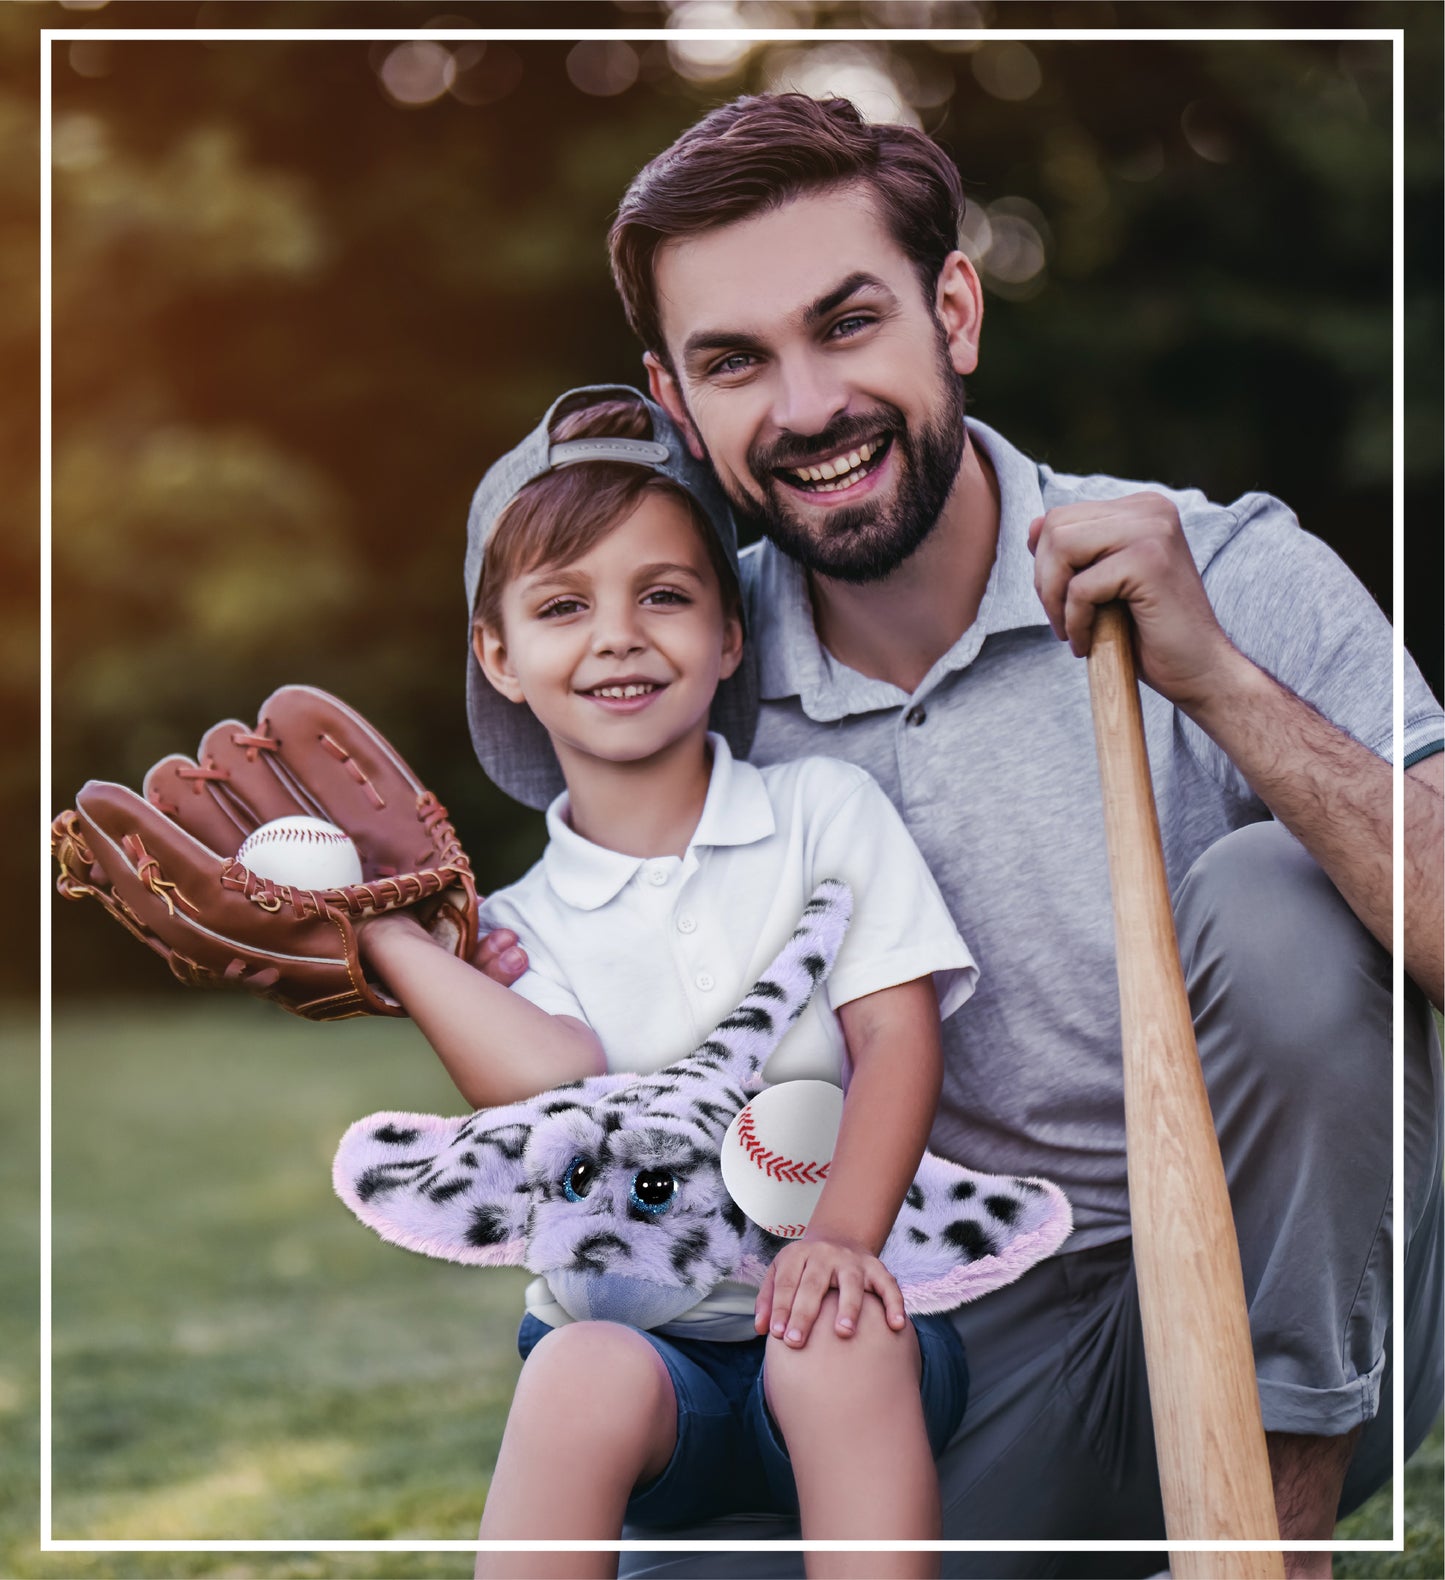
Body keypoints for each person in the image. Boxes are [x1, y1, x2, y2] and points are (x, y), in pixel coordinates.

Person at [476, 94, 1444, 1579]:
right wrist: (378, 942)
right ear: (676, 403)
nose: (803, 408)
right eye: (736, 362)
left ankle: (1264, 1555)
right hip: (929, 1339)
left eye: (846, 323)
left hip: (1288, 1306)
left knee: (1277, 900)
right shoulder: (685, 666)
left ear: (954, 308)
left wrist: (1220, 682)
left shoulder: (1225, 565)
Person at [361, 384, 980, 1580]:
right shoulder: (512, 927)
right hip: (653, 1374)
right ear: (497, 652)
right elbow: (551, 1081)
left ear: (729, 632)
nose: (617, 635)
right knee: (578, 1362)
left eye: (663, 594)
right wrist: (393, 938)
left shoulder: (818, 813)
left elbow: (897, 1039)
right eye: (559, 605)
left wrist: (840, 1238)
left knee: (832, 1332)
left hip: (860, 1319)